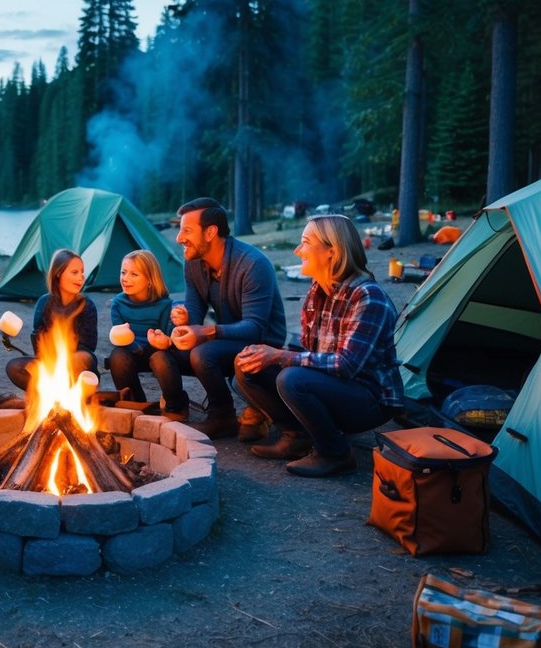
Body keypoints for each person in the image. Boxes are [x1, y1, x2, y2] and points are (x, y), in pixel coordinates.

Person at [234, 214, 404, 478]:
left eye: (305, 242)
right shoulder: (318, 291)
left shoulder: (368, 297)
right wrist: (266, 355)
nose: (297, 250)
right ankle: (297, 437)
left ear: (331, 252)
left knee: (293, 378)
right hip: (334, 385)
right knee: (247, 370)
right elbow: (311, 352)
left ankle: (334, 453)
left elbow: (346, 365)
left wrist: (282, 356)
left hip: (369, 399)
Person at [166, 197, 287, 438]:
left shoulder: (252, 264)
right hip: (229, 336)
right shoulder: (193, 262)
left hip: (263, 341)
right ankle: (174, 406)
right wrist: (183, 319)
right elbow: (195, 311)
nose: (179, 238)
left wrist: (208, 332)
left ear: (210, 232)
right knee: (168, 350)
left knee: (203, 354)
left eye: (187, 231)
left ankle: (223, 415)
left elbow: (255, 328)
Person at [6, 249, 98, 391]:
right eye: (75, 272)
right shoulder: (44, 303)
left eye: (82, 271)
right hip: (50, 362)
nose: (81, 277)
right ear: (58, 273)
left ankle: (58, 394)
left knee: (79, 359)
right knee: (14, 367)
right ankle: (54, 397)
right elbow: (38, 341)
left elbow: (88, 346)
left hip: (76, 365)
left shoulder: (87, 305)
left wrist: (63, 356)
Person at [106, 249, 178, 407]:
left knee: (161, 359)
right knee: (117, 357)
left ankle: (175, 403)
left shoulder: (164, 304)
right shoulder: (118, 303)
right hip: (129, 349)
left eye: (134, 274)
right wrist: (135, 347)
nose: (125, 279)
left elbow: (165, 335)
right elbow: (119, 334)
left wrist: (160, 341)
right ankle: (135, 402)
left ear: (150, 279)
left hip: (155, 349)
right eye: (123, 272)